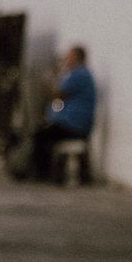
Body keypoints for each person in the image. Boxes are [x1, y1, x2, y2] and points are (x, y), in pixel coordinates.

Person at [33, 45, 96, 181]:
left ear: (77, 58)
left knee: (40, 135)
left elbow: (57, 93)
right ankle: (47, 172)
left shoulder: (79, 74)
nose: (67, 59)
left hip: (74, 126)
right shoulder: (76, 74)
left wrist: (53, 75)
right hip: (71, 124)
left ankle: (42, 174)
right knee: (44, 132)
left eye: (69, 56)